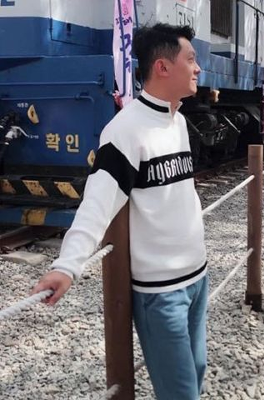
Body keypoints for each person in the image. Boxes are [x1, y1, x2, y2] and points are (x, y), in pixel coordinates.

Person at [32, 23, 207, 400]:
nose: (198, 68)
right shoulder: (124, 131)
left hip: (198, 277)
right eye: (191, 59)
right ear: (163, 67)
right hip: (161, 292)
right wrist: (67, 266)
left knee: (197, 373)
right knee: (181, 393)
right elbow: (97, 204)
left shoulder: (177, 121)